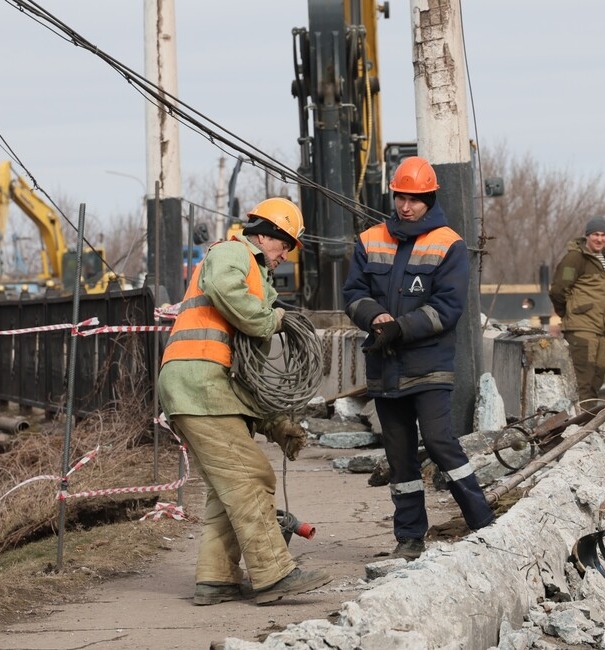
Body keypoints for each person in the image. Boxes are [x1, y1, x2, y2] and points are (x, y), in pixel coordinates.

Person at [156, 197, 332, 606]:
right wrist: (272, 319)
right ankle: (273, 573)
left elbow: (245, 374)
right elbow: (222, 287)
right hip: (197, 382)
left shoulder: (256, 278)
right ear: (266, 234)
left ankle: (216, 579)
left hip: (207, 384)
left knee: (227, 487)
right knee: (252, 476)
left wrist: (276, 422)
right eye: (284, 245)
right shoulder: (233, 252)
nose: (285, 256)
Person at [342, 156, 495, 562]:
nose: (405, 206)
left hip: (428, 366)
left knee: (441, 443)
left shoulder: (449, 244)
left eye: (415, 199)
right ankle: (410, 537)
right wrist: (375, 318)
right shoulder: (369, 240)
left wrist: (400, 327)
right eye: (400, 197)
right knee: (399, 456)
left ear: (429, 198)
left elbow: (447, 308)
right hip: (385, 368)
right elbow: (353, 295)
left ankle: (484, 524)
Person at [548, 216, 605, 409]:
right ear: (587, 235)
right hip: (581, 328)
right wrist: (567, 314)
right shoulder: (575, 258)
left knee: (597, 378)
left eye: (603, 235)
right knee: (582, 379)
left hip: (601, 329)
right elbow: (559, 289)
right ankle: (581, 427)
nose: (599, 239)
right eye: (595, 234)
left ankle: (590, 422)